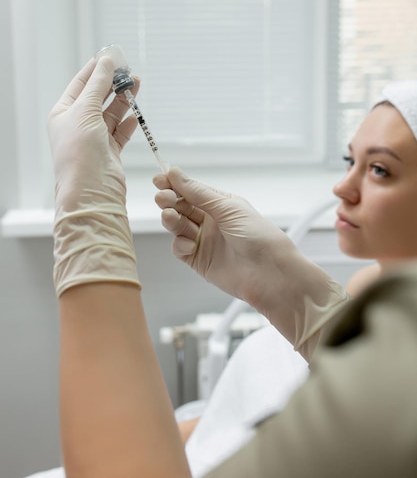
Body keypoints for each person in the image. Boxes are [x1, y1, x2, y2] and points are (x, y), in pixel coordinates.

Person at [46, 55, 417, 477]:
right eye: (351, 161)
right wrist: (287, 290)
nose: (341, 187)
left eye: (381, 169)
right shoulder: (385, 308)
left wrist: (87, 210)